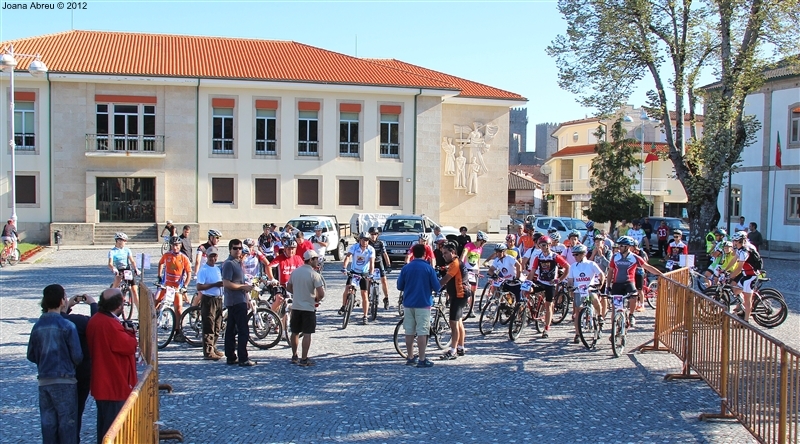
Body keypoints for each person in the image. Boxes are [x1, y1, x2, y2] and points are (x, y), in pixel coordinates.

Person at [27, 284, 83, 444]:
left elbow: (31, 355)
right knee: (67, 424)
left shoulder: (37, 326)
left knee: (48, 424)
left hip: (44, 380)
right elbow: (77, 355)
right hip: (65, 379)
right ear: (61, 301)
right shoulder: (68, 326)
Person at [87, 288, 138, 444]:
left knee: (105, 426)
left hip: (103, 383)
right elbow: (128, 346)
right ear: (119, 305)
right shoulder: (109, 324)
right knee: (113, 430)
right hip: (113, 383)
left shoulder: (96, 319)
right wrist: (131, 333)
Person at [61, 291, 98, 442]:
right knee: (76, 410)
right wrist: (93, 304)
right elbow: (96, 324)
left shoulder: (45, 322)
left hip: (55, 375)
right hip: (81, 372)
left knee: (55, 415)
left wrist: (67, 306)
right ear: (61, 301)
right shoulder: (78, 322)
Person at [396, 243, 440, 368]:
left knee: (409, 331)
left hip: (408, 303)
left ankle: (410, 357)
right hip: (423, 303)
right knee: (422, 331)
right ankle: (422, 358)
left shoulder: (406, 268)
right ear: (425, 254)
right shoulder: (428, 268)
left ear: (413, 254)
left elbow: (400, 286)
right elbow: (437, 287)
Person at [608, 236, 664, 328]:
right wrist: (608, 286)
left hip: (629, 282)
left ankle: (631, 314)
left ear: (627, 247)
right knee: (615, 308)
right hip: (617, 284)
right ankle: (613, 330)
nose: (619, 247)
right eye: (619, 245)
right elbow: (610, 271)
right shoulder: (615, 257)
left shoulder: (634, 257)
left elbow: (647, 267)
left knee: (634, 296)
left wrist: (661, 274)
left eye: (621, 245)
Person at [286, 250, 325, 367]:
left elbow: (288, 287)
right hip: (308, 307)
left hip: (296, 306)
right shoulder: (315, 275)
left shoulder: (295, 272)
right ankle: (304, 359)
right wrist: (316, 299)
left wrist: (297, 293)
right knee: (307, 333)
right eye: (316, 259)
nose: (317, 261)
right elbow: (321, 293)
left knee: (295, 332)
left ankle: (294, 355)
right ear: (311, 260)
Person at [222, 239, 256, 367]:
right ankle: (243, 358)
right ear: (230, 249)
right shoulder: (229, 264)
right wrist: (243, 287)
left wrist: (246, 295)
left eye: (240, 248)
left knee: (231, 330)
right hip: (234, 301)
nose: (238, 250)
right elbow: (226, 283)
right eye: (235, 248)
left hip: (239, 300)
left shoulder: (238, 263)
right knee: (243, 330)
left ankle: (231, 356)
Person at [528, 236, 570, 338]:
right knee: (527, 290)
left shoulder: (555, 257)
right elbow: (533, 271)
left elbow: (567, 267)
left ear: (548, 245)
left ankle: (546, 328)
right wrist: (527, 282)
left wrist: (559, 279)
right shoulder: (538, 257)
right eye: (540, 245)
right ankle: (530, 309)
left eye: (543, 245)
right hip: (540, 281)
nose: (541, 247)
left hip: (550, 284)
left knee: (548, 305)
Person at [438, 242, 471, 360]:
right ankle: (461, 347)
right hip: (461, 295)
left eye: (446, 253)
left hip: (459, 295)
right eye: (442, 253)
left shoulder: (455, 264)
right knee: (459, 322)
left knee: (453, 323)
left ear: (453, 252)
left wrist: (433, 287)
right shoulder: (454, 262)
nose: (444, 256)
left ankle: (453, 351)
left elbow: (446, 279)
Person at [567, 244, 605, 344]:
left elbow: (601, 274)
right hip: (578, 291)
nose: (574, 257)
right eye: (573, 254)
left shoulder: (591, 264)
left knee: (595, 299)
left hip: (590, 289)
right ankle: (577, 334)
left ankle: (600, 316)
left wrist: (600, 284)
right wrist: (570, 286)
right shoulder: (573, 266)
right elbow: (570, 280)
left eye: (576, 255)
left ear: (583, 254)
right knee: (577, 312)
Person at [340, 232, 375, 325]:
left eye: (367, 240)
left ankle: (365, 316)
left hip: (364, 273)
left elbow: (372, 263)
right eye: (363, 240)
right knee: (347, 288)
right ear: (360, 240)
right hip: (354, 271)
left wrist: (371, 274)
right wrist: (344, 267)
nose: (365, 242)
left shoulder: (371, 249)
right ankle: (343, 306)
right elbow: (348, 257)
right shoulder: (355, 247)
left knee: (364, 294)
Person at [196, 246, 224, 361]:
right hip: (209, 299)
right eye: (211, 256)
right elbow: (199, 286)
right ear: (207, 256)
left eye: (215, 256)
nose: (213, 258)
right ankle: (208, 351)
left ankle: (213, 346)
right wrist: (214, 285)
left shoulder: (217, 269)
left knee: (217, 325)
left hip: (218, 299)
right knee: (209, 325)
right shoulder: (204, 270)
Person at [157, 236, 192, 320]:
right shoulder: (167, 255)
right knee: (156, 300)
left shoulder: (184, 258)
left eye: (177, 245)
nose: (175, 247)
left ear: (180, 246)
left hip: (177, 287)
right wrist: (159, 275)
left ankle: (177, 330)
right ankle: (150, 319)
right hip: (166, 284)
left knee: (179, 308)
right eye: (173, 245)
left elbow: (189, 273)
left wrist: (185, 286)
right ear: (171, 246)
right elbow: (161, 263)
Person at [730, 231, 762, 322]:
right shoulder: (740, 250)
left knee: (747, 300)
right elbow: (733, 260)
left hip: (751, 276)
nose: (733, 243)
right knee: (736, 290)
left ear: (740, 241)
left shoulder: (745, 252)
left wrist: (730, 276)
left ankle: (746, 320)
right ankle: (741, 308)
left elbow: (739, 268)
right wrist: (724, 270)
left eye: (735, 241)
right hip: (745, 275)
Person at [107, 232, 140, 311]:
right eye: (124, 240)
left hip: (127, 269)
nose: (125, 242)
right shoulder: (112, 251)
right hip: (118, 269)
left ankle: (140, 312)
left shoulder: (127, 250)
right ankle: (110, 296)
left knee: (135, 291)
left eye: (125, 241)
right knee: (117, 281)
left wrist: (136, 268)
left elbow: (132, 261)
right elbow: (110, 263)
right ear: (118, 241)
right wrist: (113, 268)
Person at [368, 227, 392, 309]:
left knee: (384, 280)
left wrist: (388, 265)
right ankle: (368, 297)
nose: (373, 236)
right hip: (369, 262)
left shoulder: (380, 243)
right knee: (368, 279)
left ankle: (386, 298)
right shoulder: (367, 242)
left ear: (377, 235)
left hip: (378, 262)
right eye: (372, 234)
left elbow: (385, 254)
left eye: (375, 234)